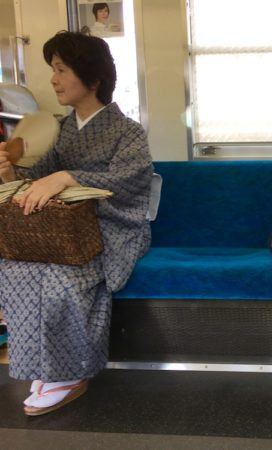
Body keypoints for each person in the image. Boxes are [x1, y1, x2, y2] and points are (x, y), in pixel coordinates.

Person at [0, 31, 153, 416]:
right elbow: (37, 179)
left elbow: (131, 181)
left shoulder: (127, 131)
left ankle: (71, 373)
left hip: (114, 228)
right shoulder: (64, 130)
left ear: (93, 78)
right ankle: (44, 367)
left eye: (61, 70)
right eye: (53, 70)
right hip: (63, 230)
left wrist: (70, 177)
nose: (53, 80)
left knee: (64, 276)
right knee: (15, 267)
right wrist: (9, 173)